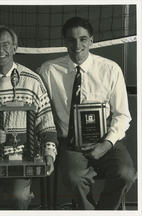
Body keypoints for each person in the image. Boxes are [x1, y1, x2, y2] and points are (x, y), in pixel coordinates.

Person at [39, 16, 136, 210]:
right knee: (74, 179)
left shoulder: (110, 69)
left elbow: (122, 115)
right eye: (71, 40)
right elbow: (40, 108)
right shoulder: (48, 71)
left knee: (126, 174)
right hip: (70, 142)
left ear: (91, 40)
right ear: (64, 42)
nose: (77, 45)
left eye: (83, 39)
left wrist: (106, 144)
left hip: (107, 139)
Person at [0, 25, 58, 210]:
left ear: (15, 48)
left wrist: (49, 153)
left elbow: (47, 123)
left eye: (6, 45)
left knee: (20, 197)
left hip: (21, 155)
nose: (1, 50)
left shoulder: (32, 80)